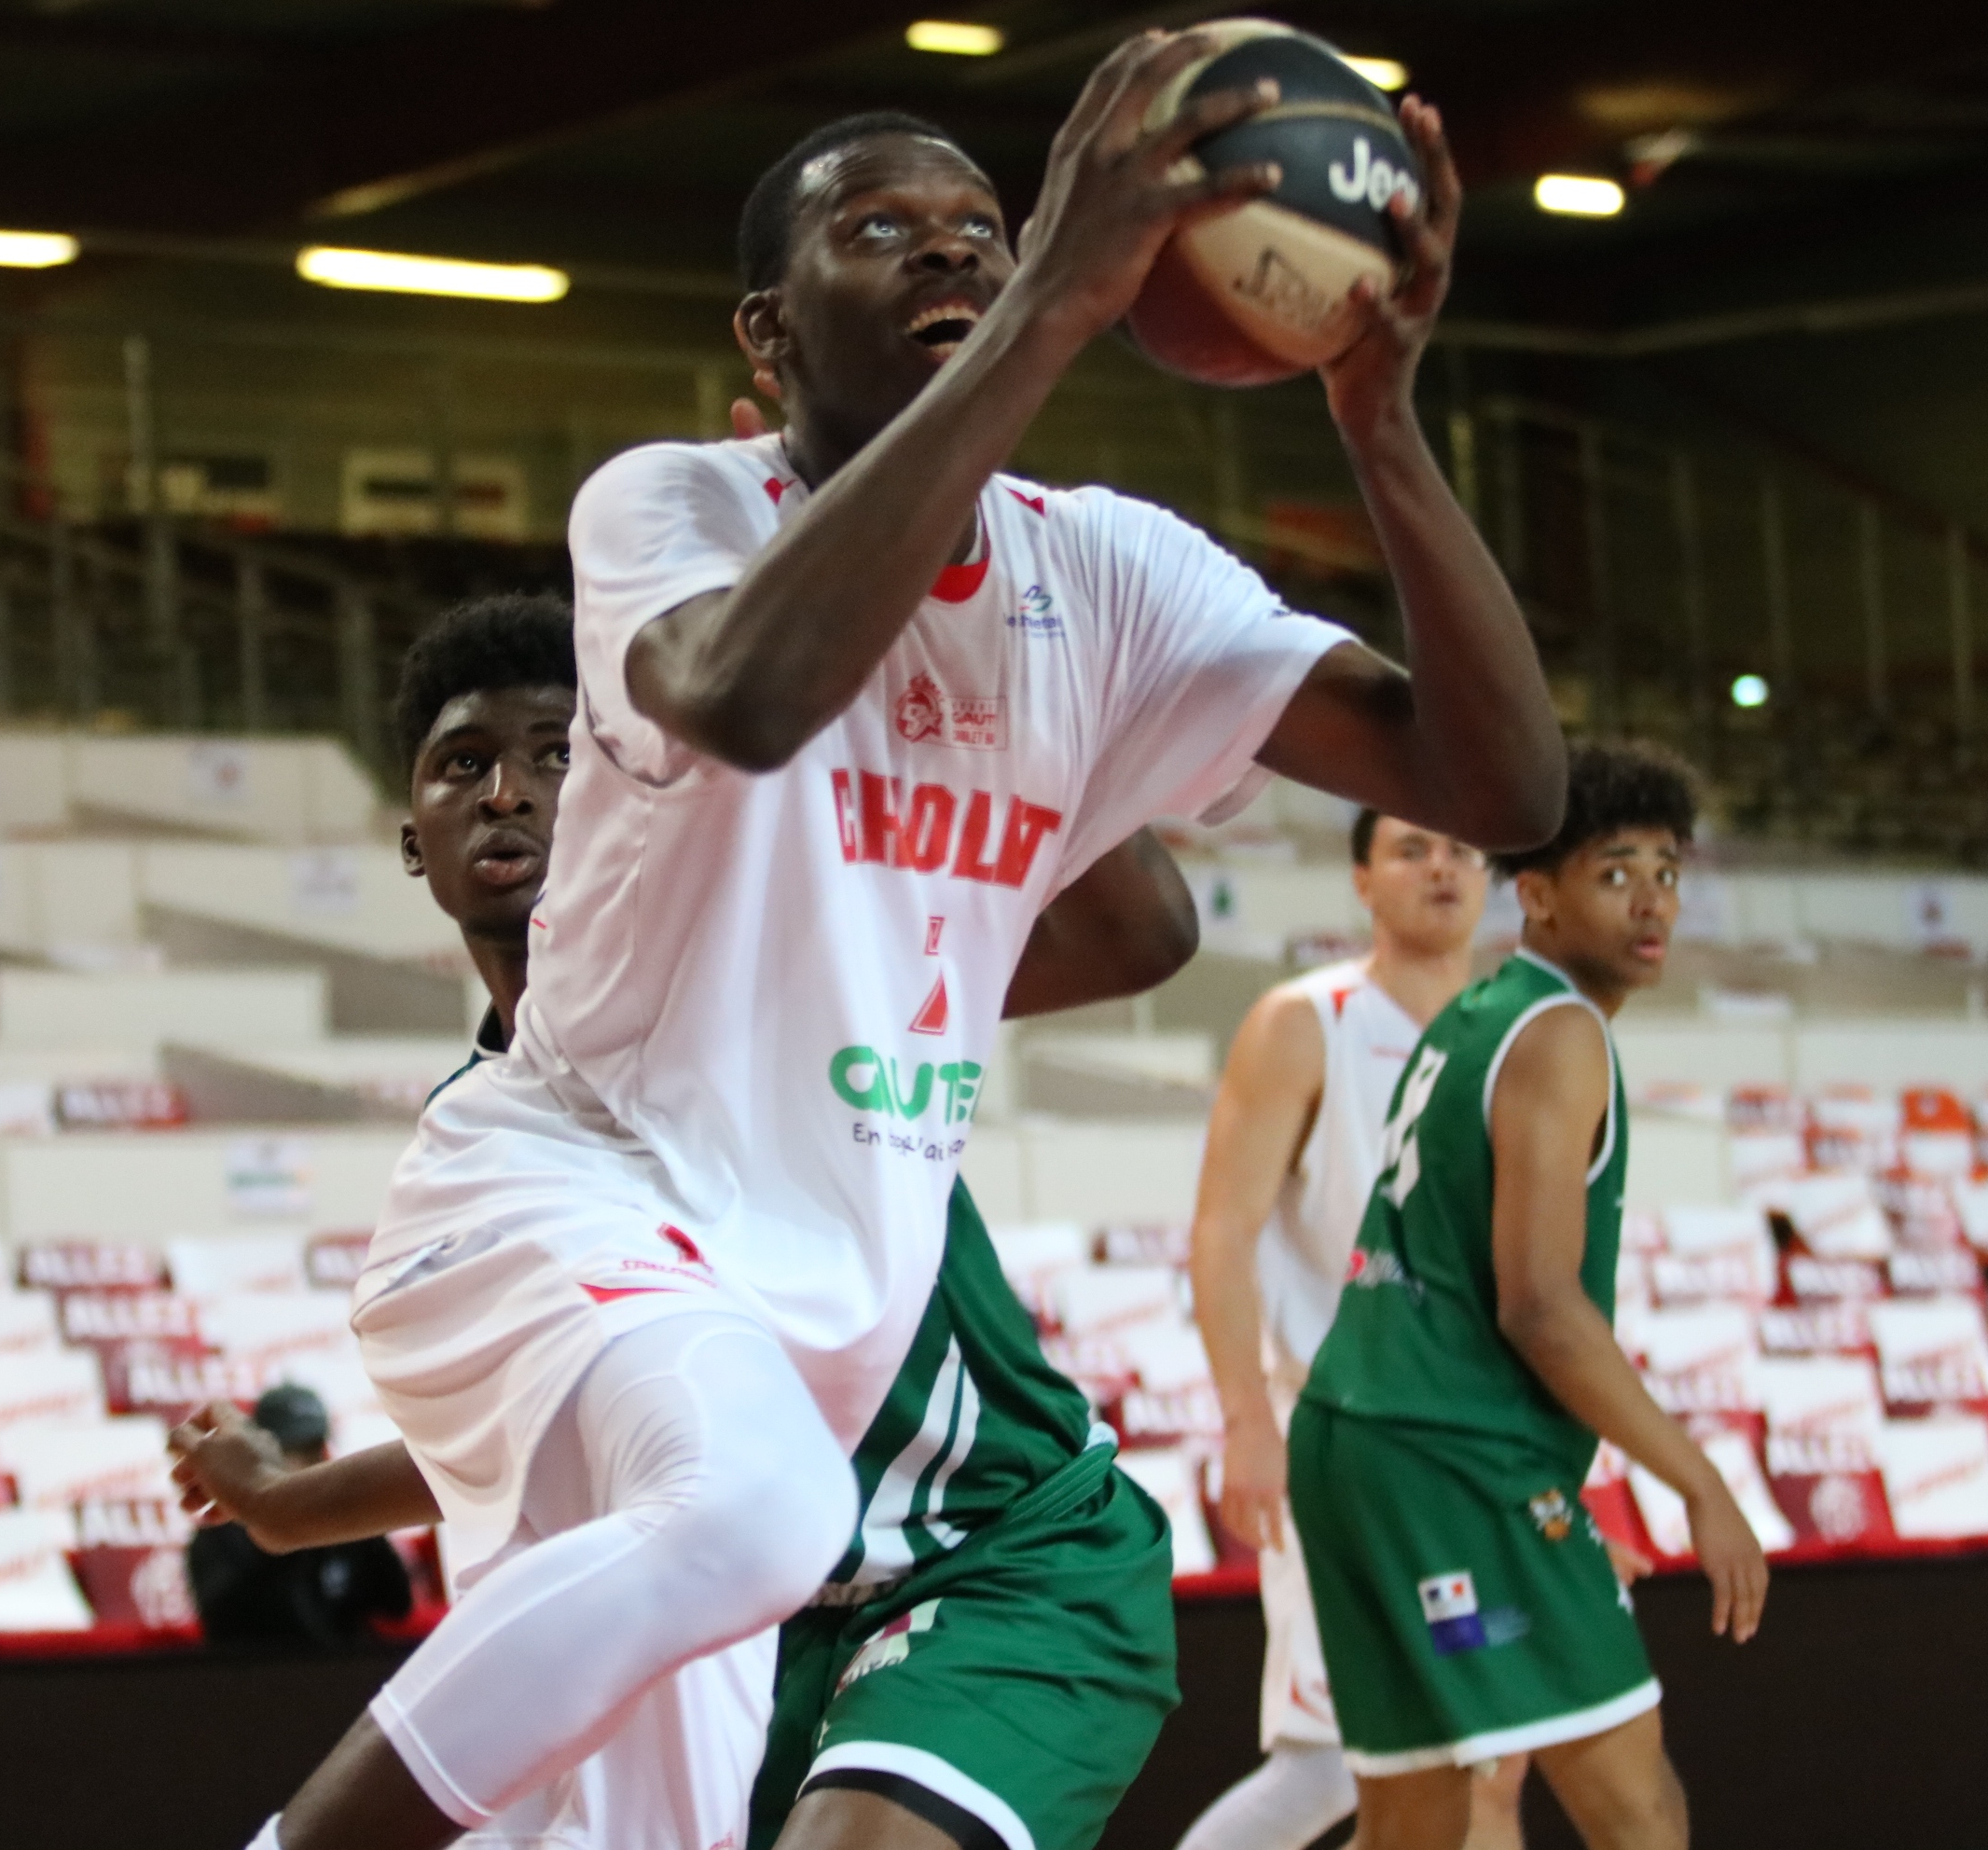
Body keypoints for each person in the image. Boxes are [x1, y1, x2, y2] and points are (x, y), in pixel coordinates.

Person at [260, 25, 1564, 1848]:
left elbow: (1496, 781)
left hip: (818, 1289)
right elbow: (751, 694)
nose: (949, 245)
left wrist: (1377, 416)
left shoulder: (1109, 571)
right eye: (880, 228)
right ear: (767, 336)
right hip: (573, 1176)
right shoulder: (680, 505)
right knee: (756, 1518)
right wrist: (1047, 302)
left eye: (977, 220)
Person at [176, 593, 1203, 1850]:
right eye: (465, 764)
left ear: (623, 785)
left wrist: (936, 607)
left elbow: (1140, 931)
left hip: (994, 1555)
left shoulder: (791, 982)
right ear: (413, 840)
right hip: (763, 1620)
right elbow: (559, 1428)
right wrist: (292, 1504)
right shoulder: (490, 1140)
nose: (507, 791)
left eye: (558, 754)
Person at [1291, 741, 1769, 1850]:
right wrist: (1698, 1483)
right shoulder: (1558, 1035)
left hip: (1353, 1438)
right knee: (1641, 1813)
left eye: (1667, 871)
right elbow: (1540, 1306)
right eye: (1616, 873)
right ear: (1539, 895)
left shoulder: (1479, 1008)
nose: (1653, 901)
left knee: (1415, 1821)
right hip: (1453, 1455)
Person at [1180, 811, 1524, 1850]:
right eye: (1414, 847)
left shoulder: (1520, 1034)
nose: (1443, 866)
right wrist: (1248, 1420)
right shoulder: (1306, 1019)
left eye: (1464, 848)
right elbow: (1221, 1232)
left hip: (1480, 1454)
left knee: (1491, 1770)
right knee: (1332, 1760)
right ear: (1361, 878)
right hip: (1344, 1438)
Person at [186, 1384, 412, 1648]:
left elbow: (398, 1604)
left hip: (347, 1678)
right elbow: (223, 1626)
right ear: (259, 1454)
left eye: (315, 1450)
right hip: (260, 1680)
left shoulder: (346, 1520)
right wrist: (284, 1527)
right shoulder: (220, 1533)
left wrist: (359, 1523)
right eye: (294, 1451)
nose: (310, 1464)